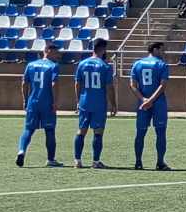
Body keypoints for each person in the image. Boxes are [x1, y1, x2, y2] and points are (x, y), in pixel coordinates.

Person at [15, 40, 62, 168]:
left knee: (28, 129)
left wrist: (25, 100)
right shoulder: (53, 66)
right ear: (48, 51)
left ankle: (21, 151)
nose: (57, 55)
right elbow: (54, 84)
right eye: (56, 53)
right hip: (47, 102)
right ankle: (50, 159)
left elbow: (24, 83)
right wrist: (55, 102)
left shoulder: (31, 65)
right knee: (50, 130)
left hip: (33, 101)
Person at [72, 36, 115, 170]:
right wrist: (113, 104)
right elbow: (109, 87)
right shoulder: (105, 66)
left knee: (81, 131)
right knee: (98, 132)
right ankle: (95, 161)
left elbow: (77, 84)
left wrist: (78, 101)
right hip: (99, 103)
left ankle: (77, 161)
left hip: (85, 101)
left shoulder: (82, 64)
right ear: (103, 49)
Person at [129, 40, 171, 171]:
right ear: (155, 50)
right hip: (158, 102)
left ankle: (138, 162)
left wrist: (143, 99)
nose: (163, 52)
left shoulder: (137, 64)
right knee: (160, 132)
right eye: (162, 49)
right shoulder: (162, 65)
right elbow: (162, 86)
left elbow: (132, 85)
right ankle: (160, 162)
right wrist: (151, 100)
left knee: (140, 132)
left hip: (142, 103)